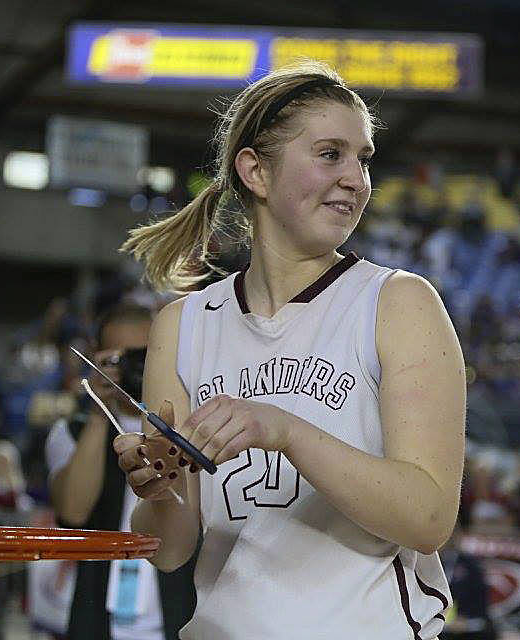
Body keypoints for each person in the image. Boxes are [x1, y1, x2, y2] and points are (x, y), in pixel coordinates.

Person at [115, 61, 466, 639]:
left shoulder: (397, 302)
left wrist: (286, 430)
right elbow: (170, 548)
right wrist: (156, 488)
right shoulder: (183, 325)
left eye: (364, 158)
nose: (356, 178)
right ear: (255, 171)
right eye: (330, 154)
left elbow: (427, 517)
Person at [45, 303, 196, 640]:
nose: (133, 367)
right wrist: (100, 410)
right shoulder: (72, 431)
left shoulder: (187, 427)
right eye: (118, 358)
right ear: (99, 360)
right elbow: (72, 512)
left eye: (143, 355)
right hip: (97, 614)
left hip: (179, 613)